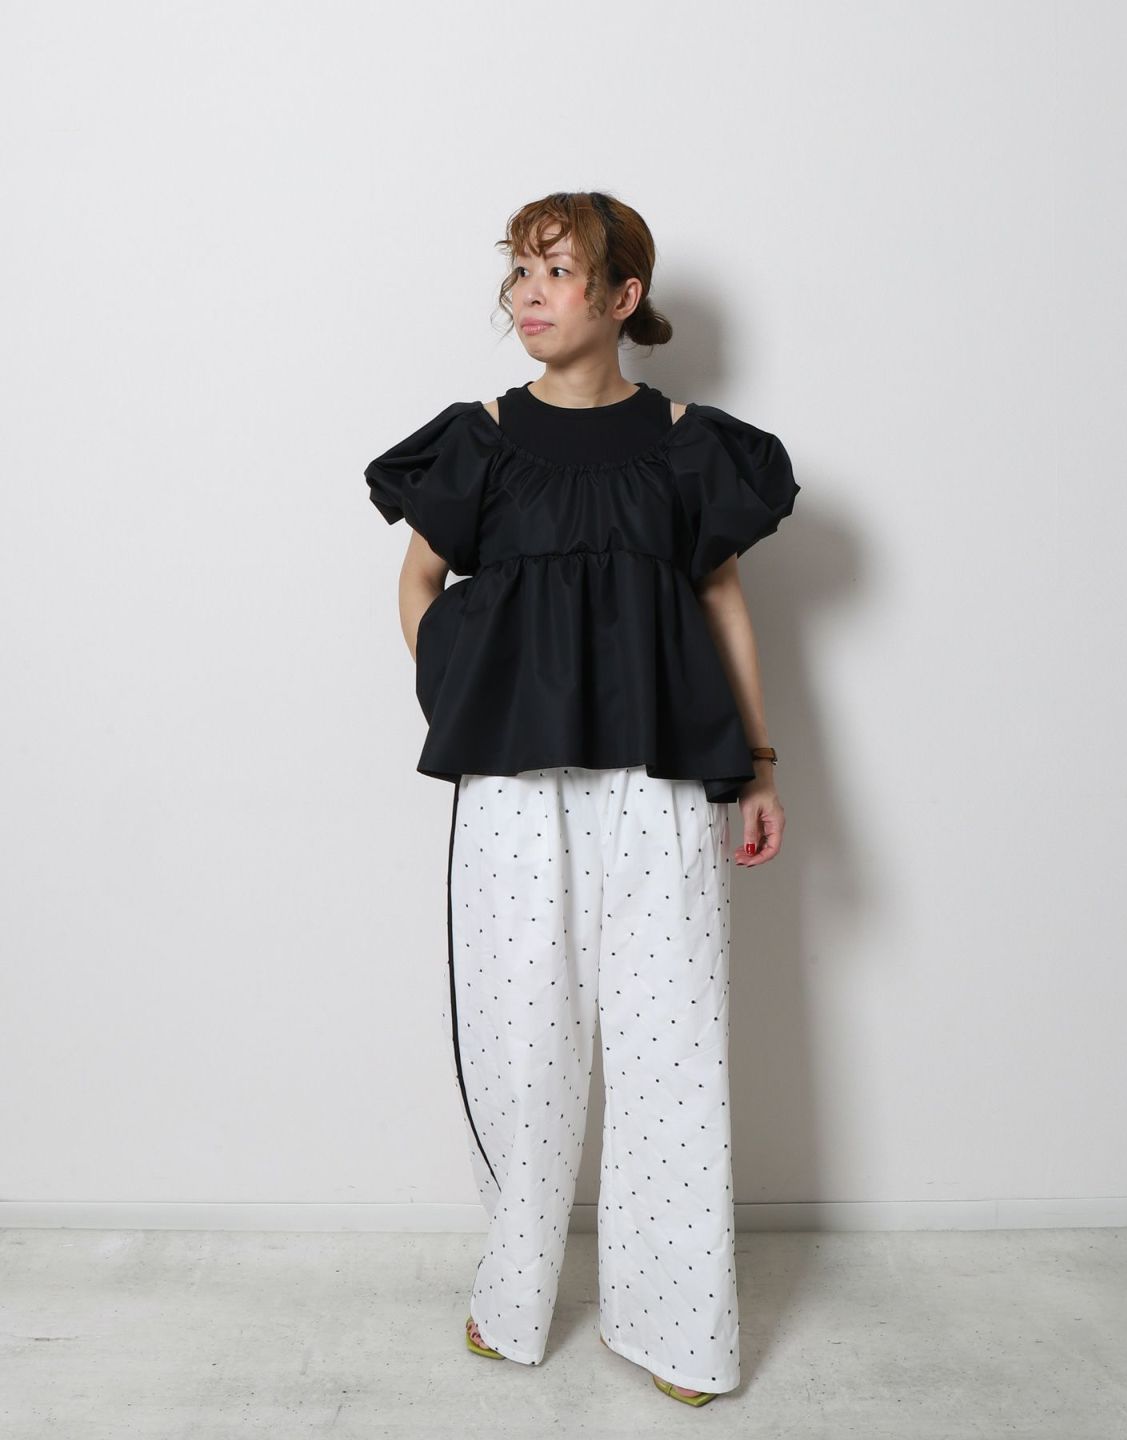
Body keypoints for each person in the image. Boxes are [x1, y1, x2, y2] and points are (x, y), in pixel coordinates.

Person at [363, 191, 800, 1407]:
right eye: (518, 271)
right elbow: (417, 582)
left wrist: (761, 765)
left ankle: (678, 1326)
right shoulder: (481, 440)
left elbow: (719, 599)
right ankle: (514, 1295)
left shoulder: (691, 445)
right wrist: (471, 690)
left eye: (555, 271)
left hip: (664, 780)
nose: (528, 293)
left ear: (622, 297)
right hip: (516, 789)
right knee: (522, 1047)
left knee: (675, 1051)